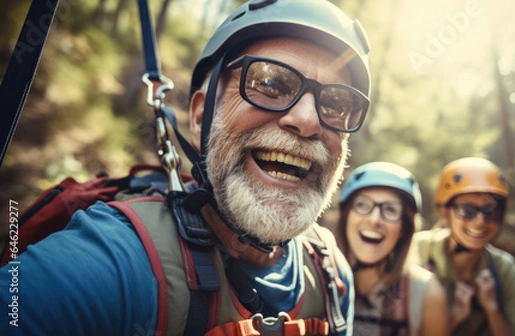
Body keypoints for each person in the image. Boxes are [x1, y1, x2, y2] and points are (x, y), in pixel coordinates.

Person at [0, 0, 372, 335]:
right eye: (270, 83)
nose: (307, 120)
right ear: (199, 117)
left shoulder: (332, 277)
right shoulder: (120, 261)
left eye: (337, 103)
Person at [410, 157, 515, 336]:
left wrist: (493, 310)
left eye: (490, 211)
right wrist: (453, 318)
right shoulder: (416, 251)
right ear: (445, 213)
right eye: (467, 211)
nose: (480, 222)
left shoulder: (503, 269)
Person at [336, 162, 449, 336]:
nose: (375, 220)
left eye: (390, 209)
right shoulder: (315, 279)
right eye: (363, 205)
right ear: (346, 217)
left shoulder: (427, 295)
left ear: (404, 228)